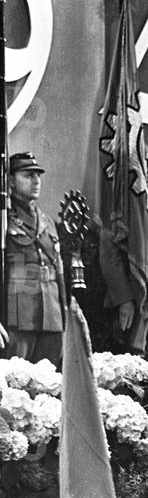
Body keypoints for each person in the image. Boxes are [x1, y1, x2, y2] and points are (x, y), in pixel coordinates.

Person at [100, 152, 148, 358]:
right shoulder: (120, 210)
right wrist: (124, 299)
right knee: (134, 355)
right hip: (136, 292)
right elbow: (111, 259)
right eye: (147, 164)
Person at [4, 151, 65, 362]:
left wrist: (64, 316)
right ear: (10, 180)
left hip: (52, 317)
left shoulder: (47, 222)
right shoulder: (4, 219)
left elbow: (59, 273)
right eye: (28, 175)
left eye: (38, 175)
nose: (36, 181)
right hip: (19, 318)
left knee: (48, 386)